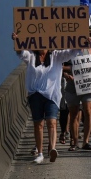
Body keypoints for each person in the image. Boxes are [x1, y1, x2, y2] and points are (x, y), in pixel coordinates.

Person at [12, 32, 81, 164]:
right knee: (38, 124)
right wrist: (17, 41)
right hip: (35, 95)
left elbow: (72, 52)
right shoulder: (31, 56)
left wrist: (82, 41)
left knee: (52, 122)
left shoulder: (57, 56)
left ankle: (52, 148)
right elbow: (21, 53)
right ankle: (40, 153)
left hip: (52, 95)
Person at [61, 44, 91, 151]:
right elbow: (59, 66)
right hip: (72, 85)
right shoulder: (68, 52)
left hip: (87, 84)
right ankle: (75, 142)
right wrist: (66, 75)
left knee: (88, 111)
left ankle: (86, 141)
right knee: (73, 114)